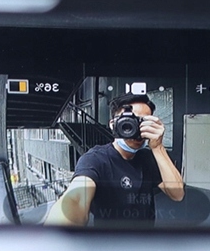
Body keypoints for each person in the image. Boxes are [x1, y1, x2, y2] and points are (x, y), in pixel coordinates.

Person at [44, 94, 184, 226]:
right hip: (110, 240)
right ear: (113, 124)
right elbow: (76, 199)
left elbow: (177, 195)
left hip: (146, 238)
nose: (134, 128)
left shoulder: (148, 157)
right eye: (129, 121)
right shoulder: (95, 159)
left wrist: (158, 147)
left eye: (142, 122)